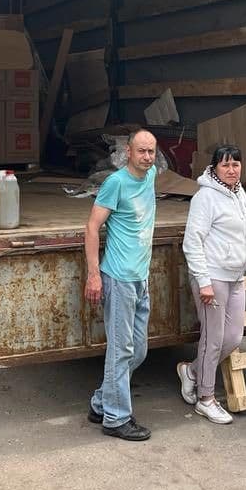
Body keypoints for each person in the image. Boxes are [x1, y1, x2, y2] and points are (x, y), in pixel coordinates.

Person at [177, 144, 246, 424]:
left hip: (235, 276)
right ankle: (206, 399)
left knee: (233, 338)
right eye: (225, 165)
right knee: (212, 340)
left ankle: (192, 372)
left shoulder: (238, 194)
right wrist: (203, 281)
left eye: (236, 164)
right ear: (214, 168)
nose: (232, 170)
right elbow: (192, 242)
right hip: (213, 277)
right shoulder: (205, 198)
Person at [85, 130, 158, 441]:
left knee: (137, 350)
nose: (147, 157)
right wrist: (93, 274)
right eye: (141, 151)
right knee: (120, 350)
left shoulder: (152, 174)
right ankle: (116, 418)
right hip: (118, 278)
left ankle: (101, 402)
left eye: (152, 152)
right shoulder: (115, 184)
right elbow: (91, 227)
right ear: (128, 151)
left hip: (140, 278)